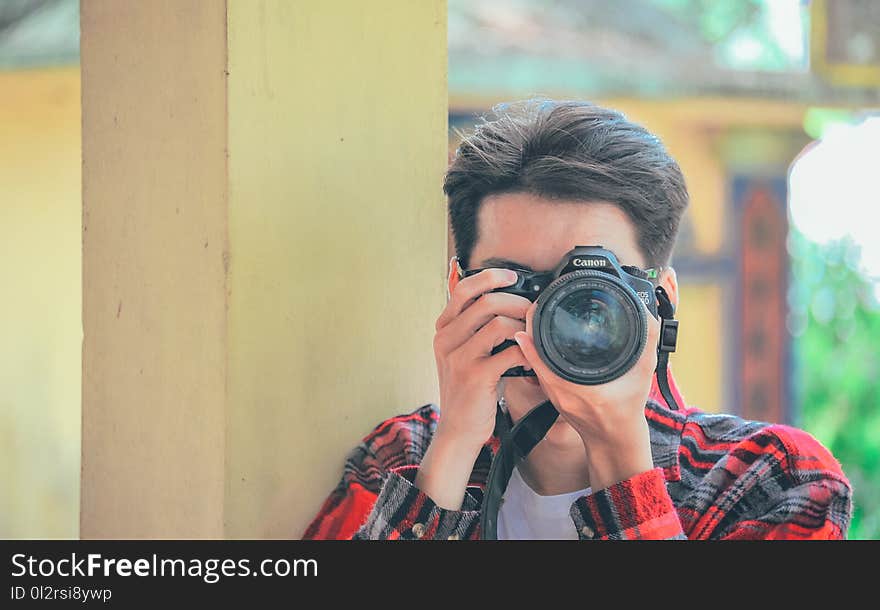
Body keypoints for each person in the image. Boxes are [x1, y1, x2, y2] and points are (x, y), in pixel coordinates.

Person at [302, 99, 853, 540]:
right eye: (516, 285)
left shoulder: (766, 481)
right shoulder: (404, 460)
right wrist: (451, 452)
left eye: (589, 291)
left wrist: (620, 453)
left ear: (660, 302)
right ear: (459, 291)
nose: (552, 317)